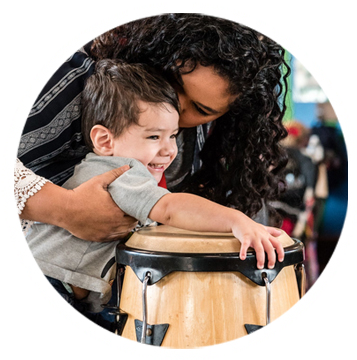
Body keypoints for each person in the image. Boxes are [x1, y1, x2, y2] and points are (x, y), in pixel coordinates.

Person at [26, 59, 284, 327]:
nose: (169, 150)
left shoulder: (118, 166)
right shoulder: (121, 171)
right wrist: (236, 221)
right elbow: (171, 209)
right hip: (52, 282)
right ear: (105, 140)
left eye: (172, 136)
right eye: (153, 137)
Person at [16, 14, 289, 250]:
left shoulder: (196, 140)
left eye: (201, 110)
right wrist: (65, 209)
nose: (175, 106)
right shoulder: (70, 82)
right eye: (174, 82)